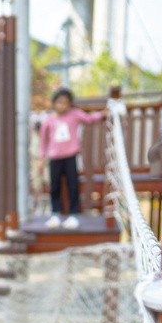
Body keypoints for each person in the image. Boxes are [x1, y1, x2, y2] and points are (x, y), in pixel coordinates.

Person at [39, 87, 107, 229]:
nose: (62, 106)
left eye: (65, 103)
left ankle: (74, 214)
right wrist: (41, 158)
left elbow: (89, 119)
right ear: (54, 103)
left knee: (73, 185)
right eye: (59, 103)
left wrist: (103, 114)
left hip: (70, 156)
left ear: (70, 104)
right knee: (55, 186)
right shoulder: (49, 120)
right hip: (54, 157)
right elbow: (43, 141)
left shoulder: (74, 115)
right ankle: (55, 214)